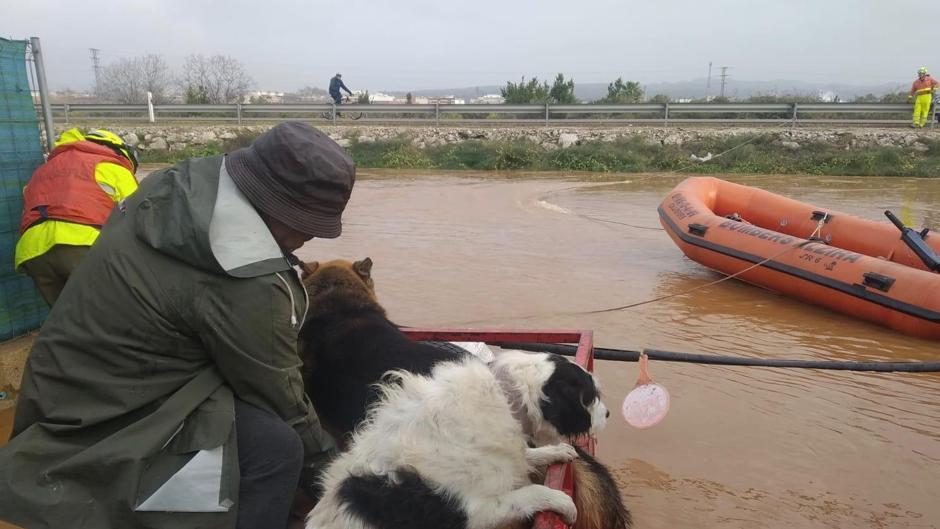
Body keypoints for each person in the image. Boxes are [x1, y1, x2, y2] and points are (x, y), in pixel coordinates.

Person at [0, 122, 356, 529]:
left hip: (63, 376)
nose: (312, 236)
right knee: (277, 450)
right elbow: (280, 397)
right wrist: (338, 478)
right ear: (273, 207)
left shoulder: (181, 184)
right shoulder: (244, 278)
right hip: (114, 410)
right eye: (308, 222)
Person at [14, 128, 139, 305]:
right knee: (109, 314)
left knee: (64, 319)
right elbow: (139, 215)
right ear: (119, 150)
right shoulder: (112, 167)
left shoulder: (44, 169)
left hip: (33, 252)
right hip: (83, 245)